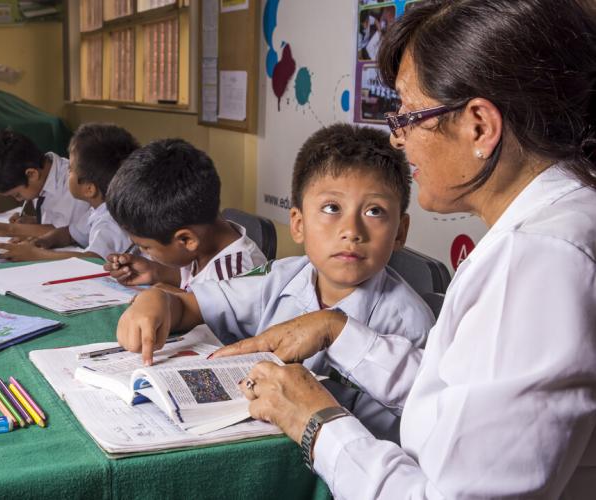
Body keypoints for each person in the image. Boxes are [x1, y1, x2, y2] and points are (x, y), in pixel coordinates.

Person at [209, 1, 596, 498]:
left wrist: (315, 419)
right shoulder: (554, 223)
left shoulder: (538, 260)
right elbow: (467, 396)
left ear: (479, 125)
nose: (399, 140)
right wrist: (337, 330)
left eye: (411, 116)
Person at [115, 123, 435, 441]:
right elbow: (190, 306)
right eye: (331, 208)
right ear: (298, 224)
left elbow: (418, 430)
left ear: (400, 232)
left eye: (374, 211)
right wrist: (159, 300)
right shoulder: (281, 277)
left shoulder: (410, 323)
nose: (351, 230)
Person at [104, 138, 266, 291]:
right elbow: (195, 279)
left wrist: (176, 301)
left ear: (187, 240)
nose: (144, 252)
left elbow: (212, 305)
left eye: (146, 247)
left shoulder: (236, 281)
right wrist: (155, 272)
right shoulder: (204, 239)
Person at [0, 123, 138, 261]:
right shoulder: (97, 210)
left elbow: (92, 260)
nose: (67, 171)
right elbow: (68, 233)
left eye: (71, 169)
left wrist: (36, 254)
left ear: (89, 189)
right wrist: (42, 241)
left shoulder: (110, 221)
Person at [0, 129, 90, 238]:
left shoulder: (73, 184)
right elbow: (60, 220)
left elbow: (69, 234)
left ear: (32, 174)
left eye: (17, 194)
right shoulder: (41, 181)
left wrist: (11, 230)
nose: (19, 200)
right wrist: (34, 221)